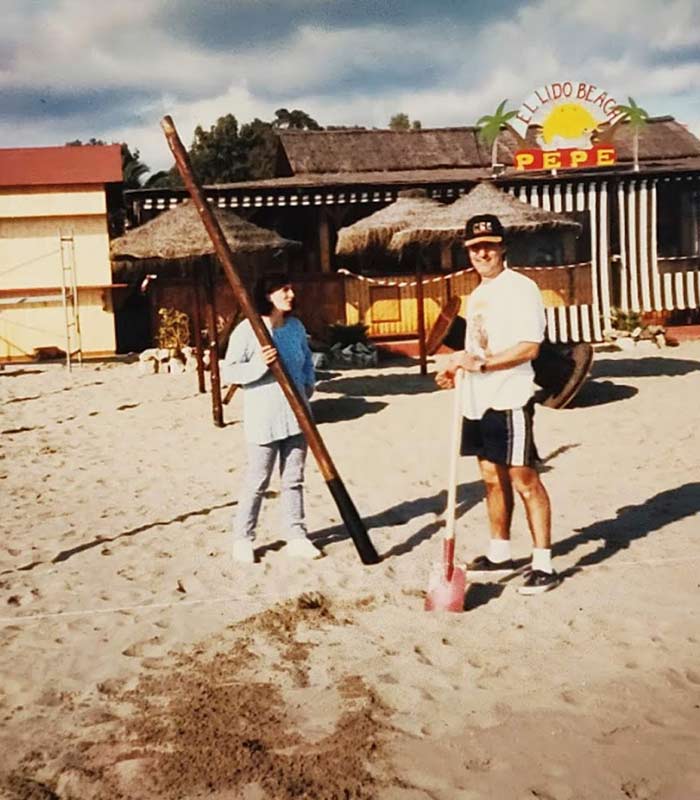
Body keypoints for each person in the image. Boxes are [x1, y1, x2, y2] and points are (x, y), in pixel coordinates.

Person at [436, 214, 559, 594]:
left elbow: (529, 347)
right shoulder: (478, 294)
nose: (482, 252)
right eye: (474, 247)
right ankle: (500, 552)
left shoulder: (521, 288)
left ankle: (544, 564)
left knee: (524, 480)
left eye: (488, 245)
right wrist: (458, 368)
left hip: (509, 396)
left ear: (503, 246)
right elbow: (477, 347)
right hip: (476, 399)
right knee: (491, 478)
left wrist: (483, 364)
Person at [221, 273, 322, 563]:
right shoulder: (248, 330)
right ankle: (243, 538)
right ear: (267, 294)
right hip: (264, 417)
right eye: (284, 289)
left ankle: (296, 536)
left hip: (298, 415)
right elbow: (230, 371)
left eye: (291, 288)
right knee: (258, 480)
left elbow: (306, 362)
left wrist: (308, 387)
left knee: (293, 479)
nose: (291, 294)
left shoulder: (295, 327)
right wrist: (258, 365)